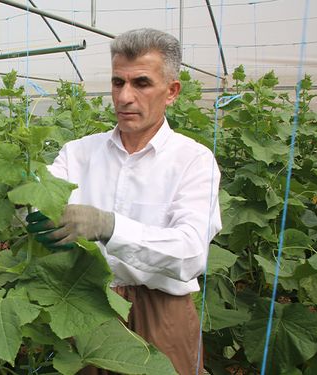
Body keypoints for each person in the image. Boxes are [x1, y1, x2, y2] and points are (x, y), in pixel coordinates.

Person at [26, 28, 221, 375]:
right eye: (118, 83)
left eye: (141, 83)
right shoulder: (79, 152)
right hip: (85, 302)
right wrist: (29, 214)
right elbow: (36, 199)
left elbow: (191, 253)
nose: (125, 96)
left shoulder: (193, 159)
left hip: (160, 310)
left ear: (172, 91)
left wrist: (109, 226)